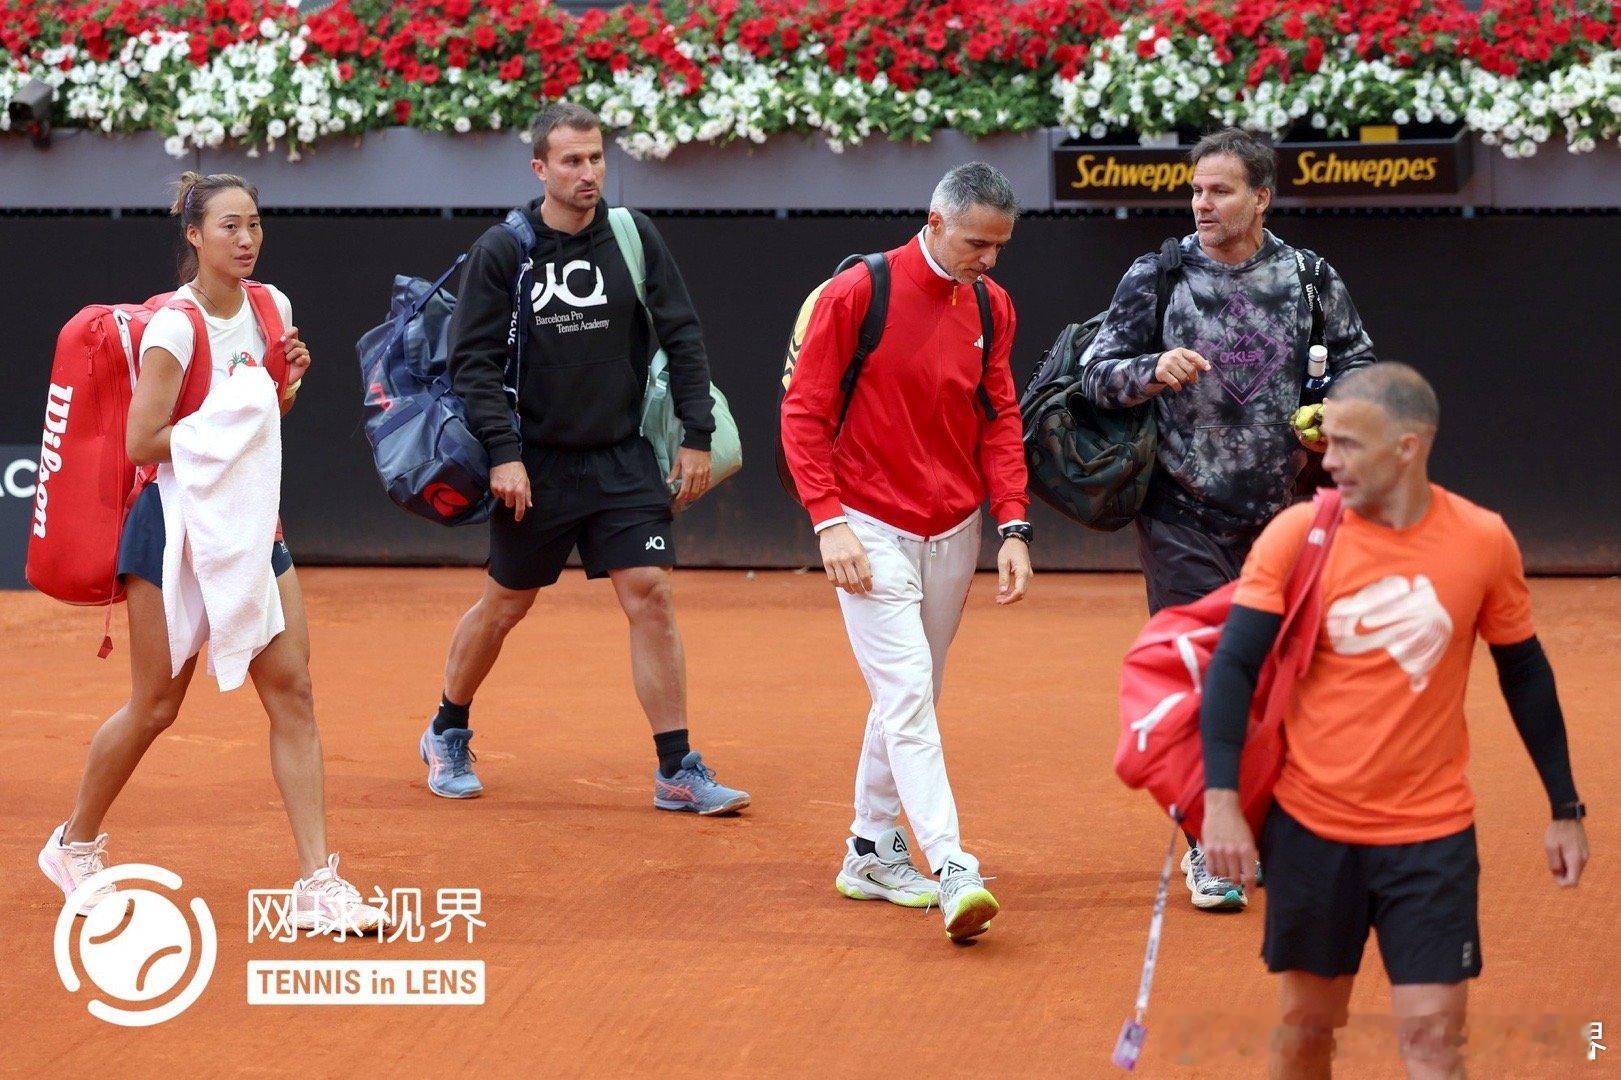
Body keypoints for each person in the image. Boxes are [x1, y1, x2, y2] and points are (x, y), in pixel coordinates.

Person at [1200, 364, 1589, 1078]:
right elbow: (1233, 667)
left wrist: (1564, 805)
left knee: (1434, 1045)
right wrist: (1220, 800)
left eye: (1350, 445)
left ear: (1407, 447)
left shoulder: (1481, 540)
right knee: (1306, 1030)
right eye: (1329, 442)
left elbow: (1523, 671)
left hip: (1431, 836)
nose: (1330, 460)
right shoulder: (1296, 536)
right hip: (1312, 829)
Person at [38, 172, 387, 934]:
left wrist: (283, 385)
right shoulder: (174, 328)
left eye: (254, 224)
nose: (246, 239)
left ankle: (316, 883)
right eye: (229, 226)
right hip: (174, 529)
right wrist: (238, 412)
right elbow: (142, 443)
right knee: (156, 705)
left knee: (292, 691)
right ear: (193, 236)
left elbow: (263, 416)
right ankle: (73, 844)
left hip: (253, 526)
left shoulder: (273, 307)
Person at [418, 103, 748, 815]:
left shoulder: (632, 235)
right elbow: (471, 363)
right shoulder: (502, 250)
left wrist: (696, 434)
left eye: (596, 158)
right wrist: (504, 456)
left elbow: (682, 337)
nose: (588, 173)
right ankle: (447, 727)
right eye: (571, 161)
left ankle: (675, 768)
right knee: (506, 604)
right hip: (534, 465)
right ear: (540, 168)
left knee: (649, 593)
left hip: (621, 458)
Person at [1079, 127, 1377, 911]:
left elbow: (1357, 363)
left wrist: (1330, 408)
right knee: (1205, 679)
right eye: (1195, 191)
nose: (1201, 205)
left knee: (1280, 680)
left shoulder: (1309, 277)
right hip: (1178, 510)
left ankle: (1271, 828)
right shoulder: (1158, 273)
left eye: (1218, 191)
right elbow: (1093, 377)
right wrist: (1149, 370)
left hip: (1282, 521)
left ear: (1260, 198)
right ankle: (1209, 849)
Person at [781, 162, 1032, 941]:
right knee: (909, 696)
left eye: (998, 246)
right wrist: (829, 521)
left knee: (910, 694)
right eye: (973, 242)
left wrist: (1013, 525)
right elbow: (804, 412)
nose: (986, 259)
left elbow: (999, 417)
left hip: (953, 528)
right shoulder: (857, 292)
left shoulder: (992, 304)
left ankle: (869, 847)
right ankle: (953, 865)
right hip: (868, 525)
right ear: (932, 221)